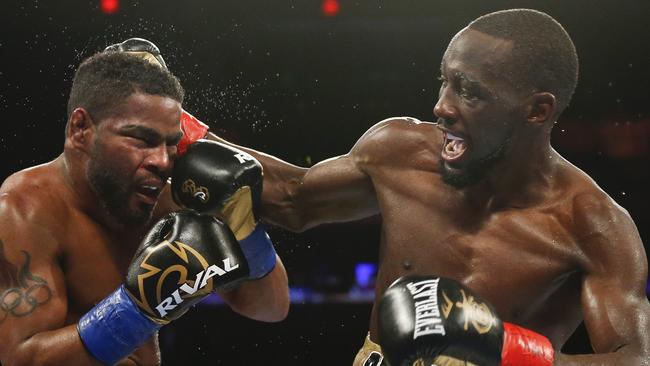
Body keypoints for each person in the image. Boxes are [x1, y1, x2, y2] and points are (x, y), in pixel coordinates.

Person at [167, 8, 649, 365]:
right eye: (444, 82)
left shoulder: (591, 224)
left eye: (469, 91)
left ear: (537, 111)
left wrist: (506, 350)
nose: (442, 106)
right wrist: (170, 121)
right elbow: (293, 198)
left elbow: (633, 358)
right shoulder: (401, 151)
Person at [0, 51, 289, 365]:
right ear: (80, 129)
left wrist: (246, 229)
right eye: (141, 139)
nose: (162, 161)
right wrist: (136, 309)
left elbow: (271, 308)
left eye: (170, 143)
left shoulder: (167, 199)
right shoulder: (24, 210)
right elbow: (18, 359)